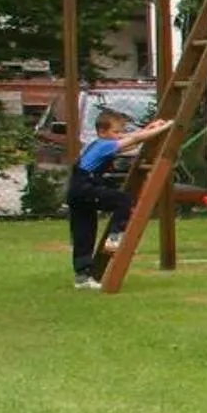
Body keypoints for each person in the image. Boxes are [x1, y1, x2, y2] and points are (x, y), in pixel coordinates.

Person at [66, 107, 172, 288]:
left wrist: (150, 128)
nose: (119, 135)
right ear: (102, 132)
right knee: (123, 200)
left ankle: (82, 277)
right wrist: (164, 128)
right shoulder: (104, 145)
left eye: (120, 131)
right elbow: (134, 140)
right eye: (116, 131)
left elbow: (131, 140)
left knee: (84, 233)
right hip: (85, 188)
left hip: (76, 191)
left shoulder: (99, 143)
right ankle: (115, 236)